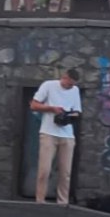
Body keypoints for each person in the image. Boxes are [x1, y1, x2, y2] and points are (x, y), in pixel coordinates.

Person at [31, 67, 83, 205]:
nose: (71, 86)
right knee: (44, 170)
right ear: (64, 77)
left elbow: (77, 111)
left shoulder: (75, 91)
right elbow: (34, 105)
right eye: (69, 83)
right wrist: (52, 109)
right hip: (48, 132)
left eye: (73, 85)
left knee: (65, 173)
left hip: (67, 134)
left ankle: (62, 202)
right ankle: (40, 201)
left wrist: (68, 116)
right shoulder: (49, 85)